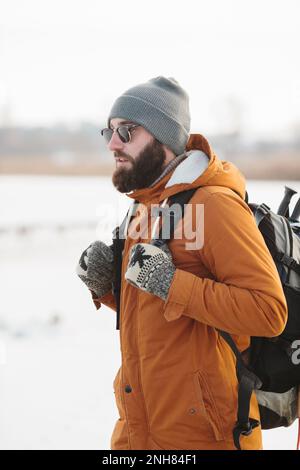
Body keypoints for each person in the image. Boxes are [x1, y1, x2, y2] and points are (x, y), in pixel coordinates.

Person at [76, 76, 287, 450]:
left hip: (207, 436)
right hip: (138, 431)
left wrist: (171, 283)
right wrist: (109, 287)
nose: (112, 144)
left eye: (127, 131)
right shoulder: (143, 207)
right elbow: (157, 310)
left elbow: (269, 312)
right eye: (109, 131)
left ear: (163, 138)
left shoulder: (214, 205)